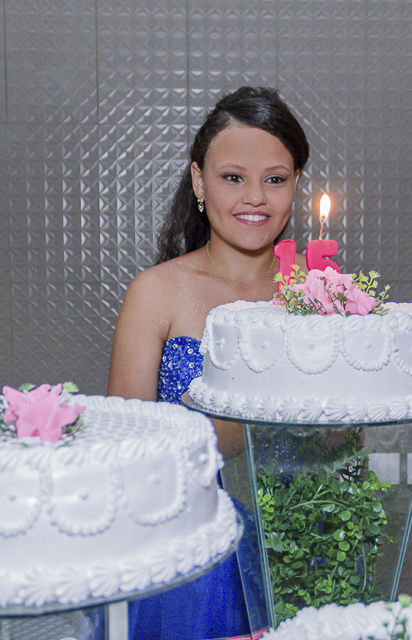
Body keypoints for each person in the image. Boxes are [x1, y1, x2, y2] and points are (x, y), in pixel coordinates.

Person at [107, 86, 309, 639]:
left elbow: (343, 439)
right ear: (199, 180)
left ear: (295, 184)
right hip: (186, 556)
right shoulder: (157, 291)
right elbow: (125, 449)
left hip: (300, 540)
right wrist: (247, 427)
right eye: (233, 177)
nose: (255, 198)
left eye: (275, 179)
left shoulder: (319, 296)